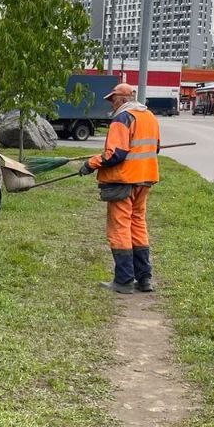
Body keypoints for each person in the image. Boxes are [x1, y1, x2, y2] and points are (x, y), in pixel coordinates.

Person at [78, 82, 160, 294]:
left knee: (120, 228)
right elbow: (155, 148)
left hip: (123, 182)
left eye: (113, 99)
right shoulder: (149, 116)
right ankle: (144, 279)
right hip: (145, 179)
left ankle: (123, 280)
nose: (111, 104)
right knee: (138, 225)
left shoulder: (122, 118)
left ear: (123, 99)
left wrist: (91, 164)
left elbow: (115, 154)